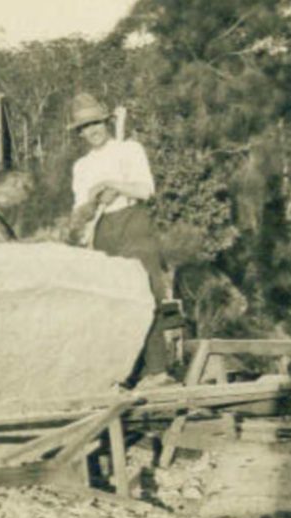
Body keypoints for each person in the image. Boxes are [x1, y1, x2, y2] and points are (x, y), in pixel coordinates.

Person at [67, 92, 172, 387]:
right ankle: (125, 372)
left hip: (134, 222)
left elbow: (146, 190)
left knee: (146, 292)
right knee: (112, 299)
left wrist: (114, 185)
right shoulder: (81, 167)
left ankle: (158, 370)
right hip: (103, 228)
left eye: (96, 123)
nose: (93, 131)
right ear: (80, 133)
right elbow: (80, 211)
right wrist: (92, 199)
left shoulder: (129, 150)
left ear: (106, 122)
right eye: (85, 127)